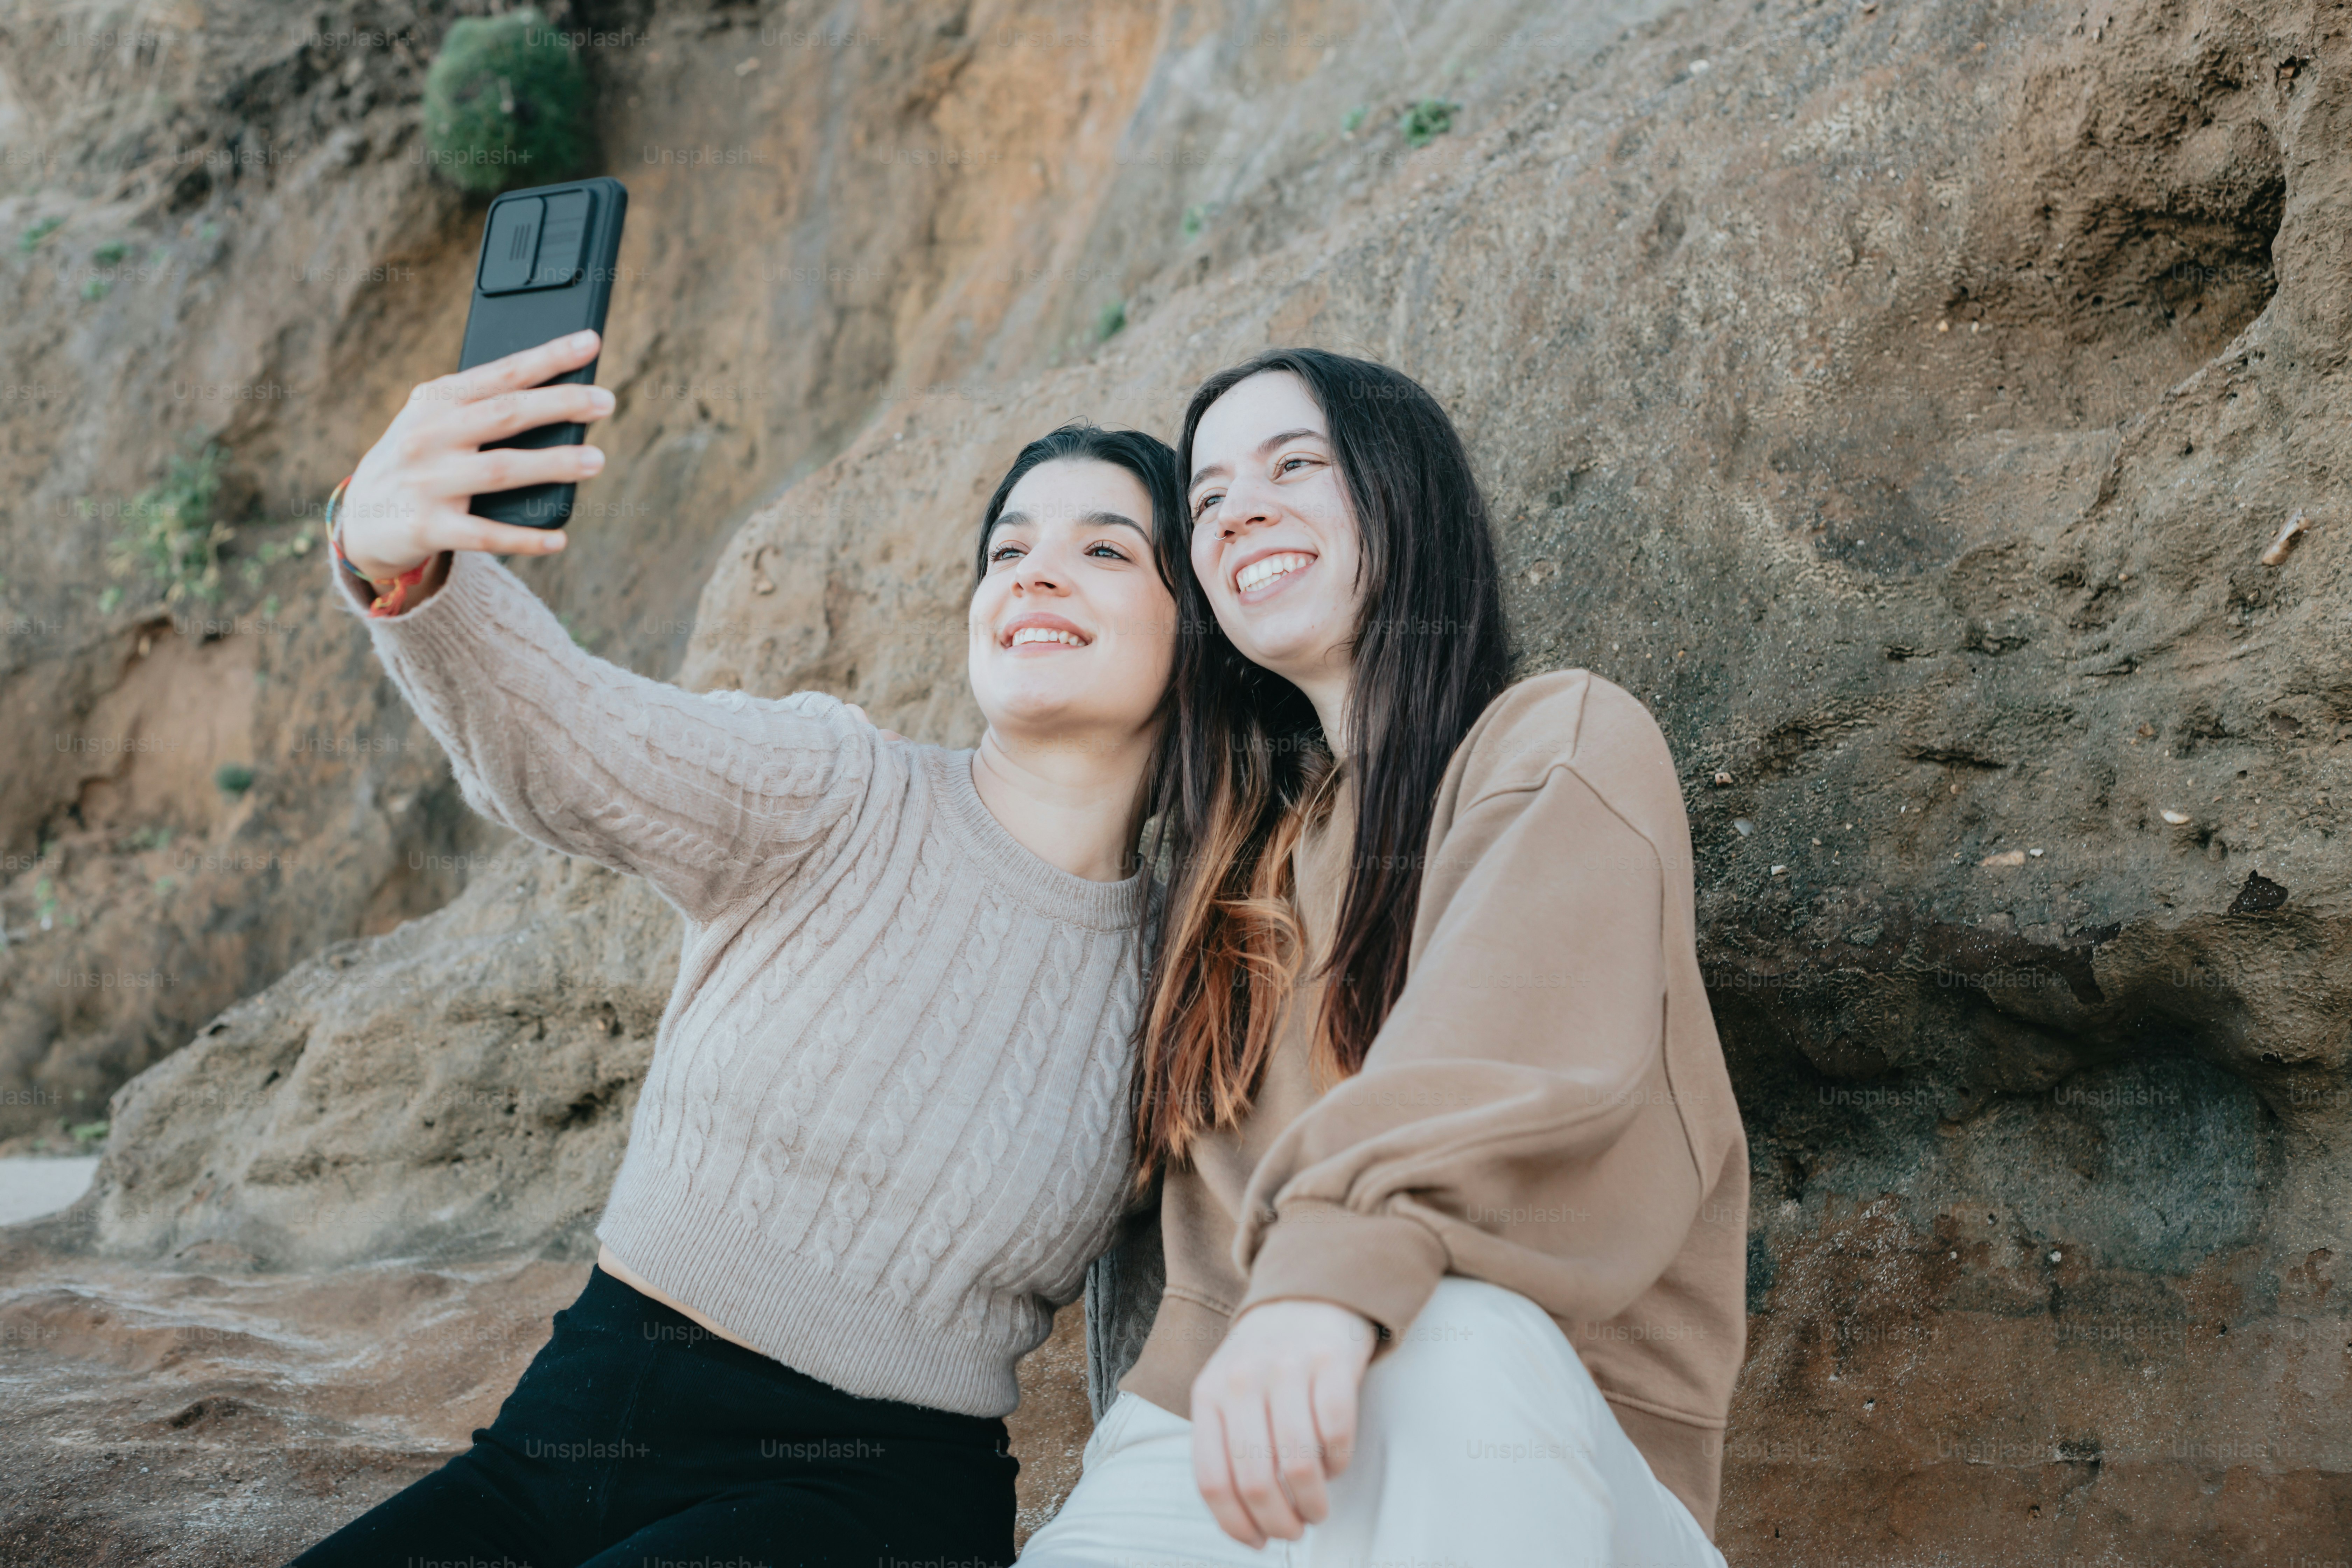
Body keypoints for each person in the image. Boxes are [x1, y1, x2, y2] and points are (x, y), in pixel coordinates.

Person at [289, 329, 1187, 1568]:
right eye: (1008, 549)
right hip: (573, 1428)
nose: (1036, 574)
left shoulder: (1189, 964)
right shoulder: (838, 789)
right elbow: (570, 734)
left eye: (1105, 549)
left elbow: (1181, 1299)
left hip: (871, 1506)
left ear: (1195, 629)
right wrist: (396, 557)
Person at [1023, 349, 1749, 1568]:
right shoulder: (1227, 870)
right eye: (1205, 501)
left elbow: (1498, 1044)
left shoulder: (1556, 740)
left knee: (1446, 1340)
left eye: (1294, 465)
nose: (1238, 510)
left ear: (1400, 492)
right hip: (1204, 1434)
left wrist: (1328, 1275)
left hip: (1525, 1416)